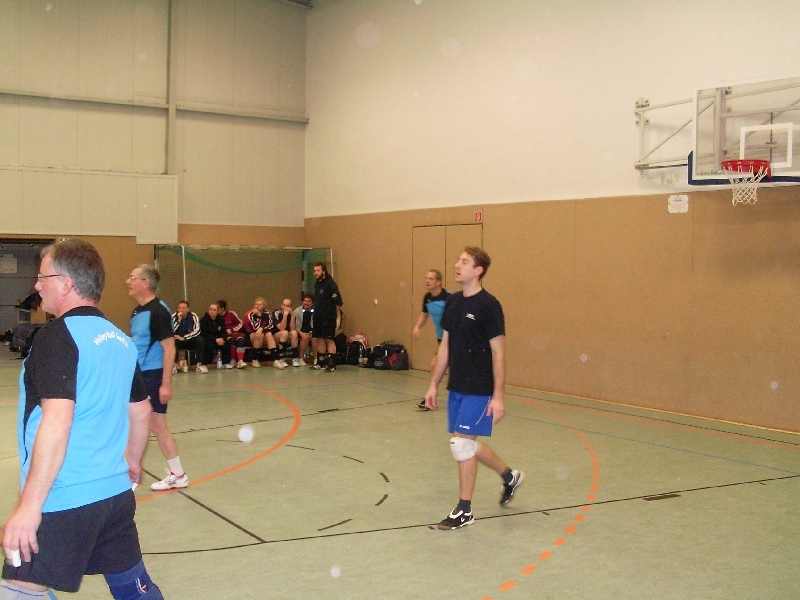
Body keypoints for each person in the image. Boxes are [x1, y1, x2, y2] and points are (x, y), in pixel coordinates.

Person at [1, 240, 163, 599]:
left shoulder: (56, 337)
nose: (37, 285)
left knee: (18, 592)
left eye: (43, 277)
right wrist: (132, 461)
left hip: (63, 499)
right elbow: (141, 410)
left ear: (67, 284)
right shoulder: (120, 340)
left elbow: (57, 421)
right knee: (134, 590)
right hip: (114, 496)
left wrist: (29, 507)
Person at [424, 247, 524, 530]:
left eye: (465, 262)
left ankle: (464, 510)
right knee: (465, 444)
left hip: (480, 388)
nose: (457, 265)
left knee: (461, 444)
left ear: (478, 270)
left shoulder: (489, 305)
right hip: (457, 385)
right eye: (459, 260)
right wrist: (433, 384)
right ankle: (510, 476)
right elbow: (445, 347)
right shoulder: (453, 302)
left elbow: (498, 353)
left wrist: (499, 397)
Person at [127, 264, 189, 492]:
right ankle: (174, 474)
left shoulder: (158, 312)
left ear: (145, 283)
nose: (128, 281)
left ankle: (178, 474)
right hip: (138, 375)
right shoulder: (138, 311)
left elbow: (169, 349)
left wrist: (166, 384)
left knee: (157, 425)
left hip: (152, 376)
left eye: (133, 277)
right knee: (142, 423)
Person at [411, 269, 451, 410]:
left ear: (439, 282)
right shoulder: (427, 297)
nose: (427, 281)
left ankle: (429, 399)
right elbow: (424, 315)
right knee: (437, 365)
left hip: (452, 338)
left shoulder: (449, 298)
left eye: (431, 278)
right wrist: (417, 327)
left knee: (435, 364)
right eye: (426, 278)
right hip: (441, 338)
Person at [310, 262, 343, 372]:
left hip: (328, 316)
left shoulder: (330, 283)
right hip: (318, 316)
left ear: (324, 271)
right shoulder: (317, 284)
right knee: (319, 338)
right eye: (314, 271)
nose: (316, 273)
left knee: (329, 339)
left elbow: (338, 301)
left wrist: (337, 316)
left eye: (318, 270)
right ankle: (321, 362)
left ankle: (332, 365)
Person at [243, 297, 283, 369]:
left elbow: (270, 326)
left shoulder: (268, 313)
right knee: (260, 335)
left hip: (264, 334)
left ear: (264, 306)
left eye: (259, 304)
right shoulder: (250, 314)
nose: (256, 306)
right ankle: (254, 359)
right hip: (251, 336)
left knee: (268, 334)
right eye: (255, 304)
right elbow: (255, 327)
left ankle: (276, 360)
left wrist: (261, 328)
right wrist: (258, 316)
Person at [171, 300, 207, 373]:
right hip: (178, 340)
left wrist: (185, 338)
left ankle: (200, 364)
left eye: (184, 308)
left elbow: (197, 331)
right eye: (180, 308)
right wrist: (178, 321)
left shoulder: (193, 316)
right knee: (172, 341)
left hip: (190, 340)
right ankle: (173, 365)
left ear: (188, 309)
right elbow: (171, 330)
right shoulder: (174, 316)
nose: (181, 310)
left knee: (200, 340)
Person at [199, 302, 235, 369]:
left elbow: (224, 332)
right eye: (210, 309)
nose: (212, 311)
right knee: (206, 344)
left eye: (214, 310)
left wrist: (222, 339)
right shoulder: (203, 320)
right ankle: (204, 364)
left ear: (217, 311)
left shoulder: (221, 320)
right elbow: (204, 333)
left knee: (227, 343)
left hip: (219, 340)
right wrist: (215, 340)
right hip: (209, 339)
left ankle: (226, 363)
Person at [217, 299, 247, 368]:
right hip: (227, 336)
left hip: (236, 334)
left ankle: (240, 361)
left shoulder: (231, 314)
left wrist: (232, 329)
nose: (216, 310)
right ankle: (233, 360)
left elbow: (240, 324)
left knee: (241, 340)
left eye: (217, 309)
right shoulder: (217, 317)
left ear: (222, 309)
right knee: (231, 341)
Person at [271, 298, 298, 369]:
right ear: (281, 305)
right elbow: (281, 328)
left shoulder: (291, 314)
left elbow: (292, 329)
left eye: (288, 306)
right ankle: (281, 358)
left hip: (287, 338)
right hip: (275, 337)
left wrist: (292, 316)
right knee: (284, 332)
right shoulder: (276, 313)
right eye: (284, 305)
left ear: (291, 307)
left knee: (294, 333)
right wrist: (285, 316)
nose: (285, 307)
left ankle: (294, 358)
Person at [292, 294, 314, 367]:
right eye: (305, 301)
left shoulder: (316, 311)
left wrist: (311, 333)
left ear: (312, 303)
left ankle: (316, 358)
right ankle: (301, 358)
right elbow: (296, 326)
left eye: (309, 301)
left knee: (315, 338)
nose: (306, 303)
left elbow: (315, 325)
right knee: (305, 338)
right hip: (299, 331)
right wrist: (301, 333)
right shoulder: (297, 311)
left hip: (311, 331)